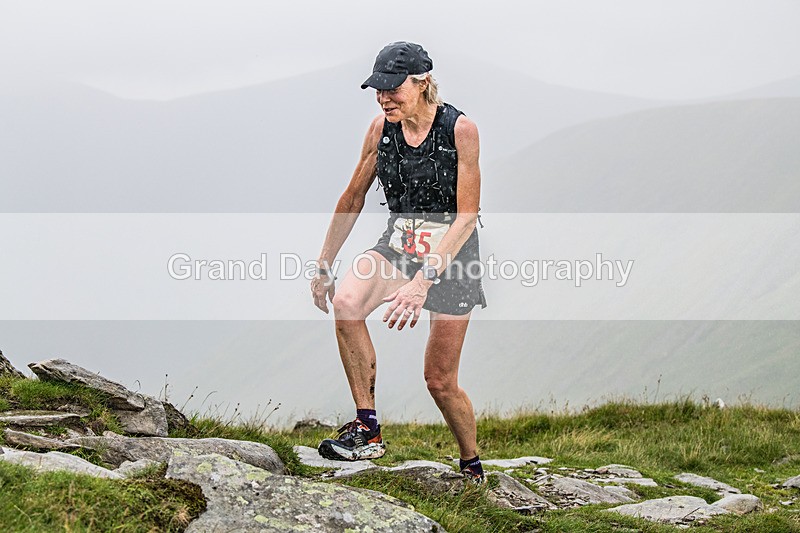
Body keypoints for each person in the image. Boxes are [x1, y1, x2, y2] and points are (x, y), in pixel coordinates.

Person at [310, 41, 487, 482]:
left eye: (393, 88)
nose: (384, 97)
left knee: (440, 381)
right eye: (378, 89)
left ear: (422, 82)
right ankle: (367, 429)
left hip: (452, 259)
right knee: (347, 303)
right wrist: (324, 264)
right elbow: (352, 197)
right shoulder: (379, 129)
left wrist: (423, 281)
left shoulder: (460, 129)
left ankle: (471, 465)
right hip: (399, 245)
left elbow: (467, 217)